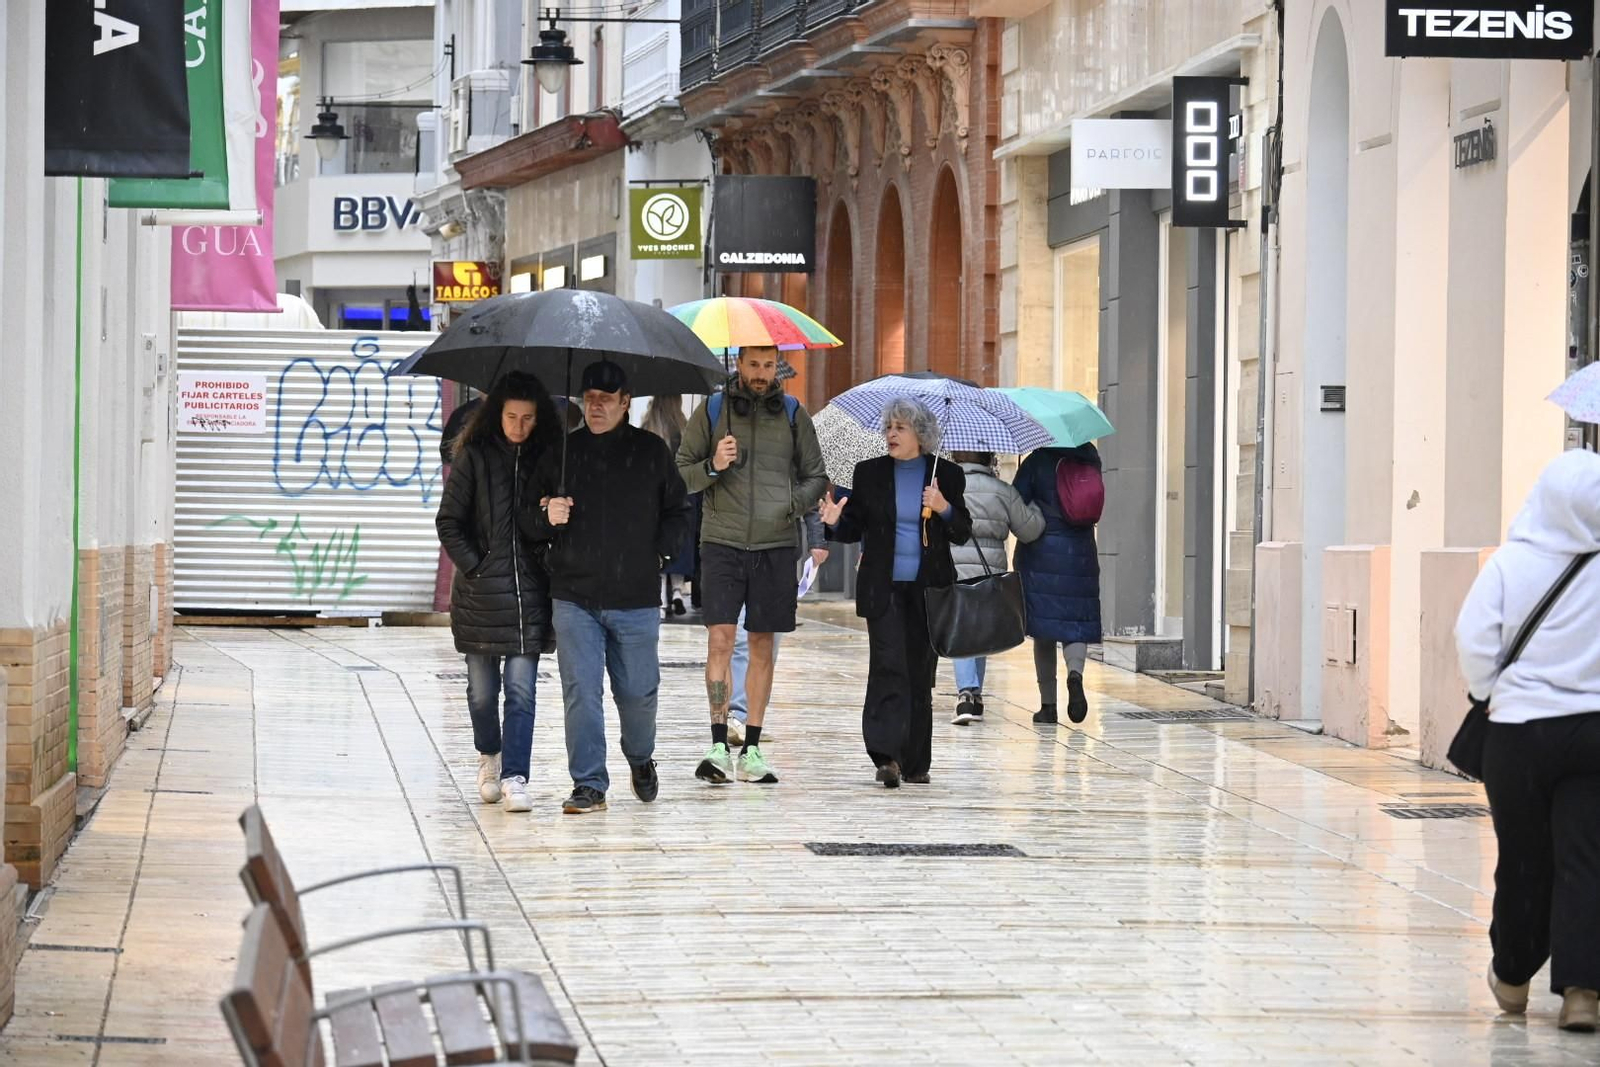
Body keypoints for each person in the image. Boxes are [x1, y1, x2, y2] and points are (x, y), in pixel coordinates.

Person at [1456, 447, 1600, 1034]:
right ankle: (1583, 993)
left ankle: (1513, 978)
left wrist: (1490, 688)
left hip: (1517, 734)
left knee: (1521, 857)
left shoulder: (1512, 564)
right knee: (1586, 860)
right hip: (1594, 733)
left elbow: (1473, 638)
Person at [524, 361, 691, 815]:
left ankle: (640, 757)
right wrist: (546, 516)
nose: (595, 406)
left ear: (625, 402)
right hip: (574, 594)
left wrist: (660, 552)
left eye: (606, 398)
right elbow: (528, 517)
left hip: (635, 596)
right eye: (589, 398)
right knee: (581, 689)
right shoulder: (561, 452)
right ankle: (589, 784)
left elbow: (679, 511)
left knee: (638, 692)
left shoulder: (652, 452)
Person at [676, 346, 827, 785]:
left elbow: (816, 476)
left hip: (775, 545)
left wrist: (790, 504)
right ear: (739, 364)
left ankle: (754, 748)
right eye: (753, 364)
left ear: (775, 365)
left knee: (762, 644)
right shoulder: (713, 410)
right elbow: (682, 472)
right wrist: (714, 465)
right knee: (721, 640)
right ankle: (719, 742)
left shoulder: (795, 414)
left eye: (768, 365)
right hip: (721, 542)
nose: (761, 374)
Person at [819, 397, 971, 788]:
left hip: (928, 590)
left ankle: (916, 760)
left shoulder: (947, 476)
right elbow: (854, 527)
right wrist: (835, 523)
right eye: (889, 426)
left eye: (900, 428)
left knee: (920, 672)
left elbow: (962, 531)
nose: (891, 434)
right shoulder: (869, 473)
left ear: (920, 434)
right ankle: (887, 756)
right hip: (882, 588)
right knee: (889, 666)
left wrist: (944, 508)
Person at [434, 372, 559, 814]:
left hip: (530, 593)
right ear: (497, 413)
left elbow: (552, 526)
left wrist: (553, 515)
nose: (519, 426)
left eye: (528, 418)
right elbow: (448, 521)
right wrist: (476, 564)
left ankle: (515, 776)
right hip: (481, 596)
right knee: (483, 693)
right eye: (511, 417)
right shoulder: (475, 457)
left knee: (522, 690)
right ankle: (490, 755)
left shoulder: (550, 459)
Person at [946, 451, 1045, 725]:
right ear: (990, 458)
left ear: (955, 456)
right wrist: (1035, 507)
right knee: (979, 632)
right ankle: (974, 696)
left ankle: (967, 693)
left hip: (954, 566)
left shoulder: (945, 487)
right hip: (991, 570)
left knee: (962, 630)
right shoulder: (1003, 491)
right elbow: (1030, 530)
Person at [1014, 443, 1104, 725]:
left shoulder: (1038, 460)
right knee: (1075, 623)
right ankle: (1075, 675)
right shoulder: (1090, 457)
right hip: (1081, 552)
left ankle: (1048, 706)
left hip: (1043, 552)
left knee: (1043, 630)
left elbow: (1016, 500)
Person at [727, 506, 828, 746]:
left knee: (768, 642)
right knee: (741, 638)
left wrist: (818, 539)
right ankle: (737, 714)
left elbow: (809, 490)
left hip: (778, 554)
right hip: (734, 549)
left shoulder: (788, 467)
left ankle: (753, 717)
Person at [642, 395, 694, 617]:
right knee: (679, 544)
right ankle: (677, 591)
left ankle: (661, 601)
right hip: (682, 492)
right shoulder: (684, 428)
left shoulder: (648, 427)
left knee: (657, 544)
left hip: (654, 494)